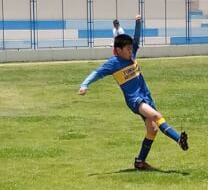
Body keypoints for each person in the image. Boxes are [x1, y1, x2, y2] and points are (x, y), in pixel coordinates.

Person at [79, 15, 189, 171]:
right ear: (118, 50)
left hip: (146, 96)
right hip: (135, 100)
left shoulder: (131, 56)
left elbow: (137, 38)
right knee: (157, 117)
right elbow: (96, 73)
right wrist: (84, 85)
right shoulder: (113, 63)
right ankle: (179, 139)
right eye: (128, 48)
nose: (131, 50)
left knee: (152, 130)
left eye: (132, 48)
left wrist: (138, 23)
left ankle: (140, 162)